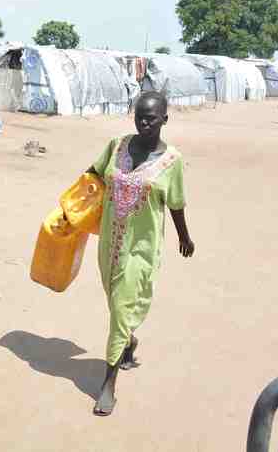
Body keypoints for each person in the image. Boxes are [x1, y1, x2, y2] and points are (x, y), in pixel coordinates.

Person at [87, 91, 194, 416]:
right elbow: (93, 174)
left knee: (120, 309)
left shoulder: (172, 161)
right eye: (139, 116)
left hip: (141, 249)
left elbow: (175, 203)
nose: (144, 122)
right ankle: (129, 342)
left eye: (151, 117)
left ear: (164, 119)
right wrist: (71, 213)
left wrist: (185, 237)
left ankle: (108, 385)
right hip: (110, 244)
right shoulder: (116, 145)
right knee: (115, 301)